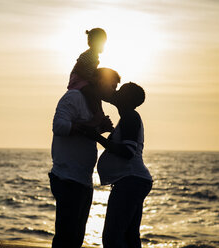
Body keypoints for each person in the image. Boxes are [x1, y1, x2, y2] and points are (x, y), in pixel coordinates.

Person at [49, 68, 120, 248]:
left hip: (83, 181)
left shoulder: (93, 103)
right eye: (112, 86)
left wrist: (99, 129)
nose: (113, 91)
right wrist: (94, 124)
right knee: (66, 237)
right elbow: (59, 126)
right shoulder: (74, 97)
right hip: (67, 178)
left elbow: (84, 132)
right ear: (99, 81)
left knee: (76, 238)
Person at [81, 82, 152, 248]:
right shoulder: (128, 117)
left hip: (130, 181)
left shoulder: (130, 117)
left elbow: (128, 151)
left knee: (113, 238)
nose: (116, 93)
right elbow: (107, 95)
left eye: (120, 91)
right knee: (129, 236)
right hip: (132, 181)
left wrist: (97, 138)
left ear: (127, 99)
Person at [68, 28, 113, 132]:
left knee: (97, 95)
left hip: (85, 79)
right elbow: (78, 69)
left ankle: (100, 114)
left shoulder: (94, 56)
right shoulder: (88, 55)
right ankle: (96, 116)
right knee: (90, 93)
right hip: (79, 79)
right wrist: (90, 79)